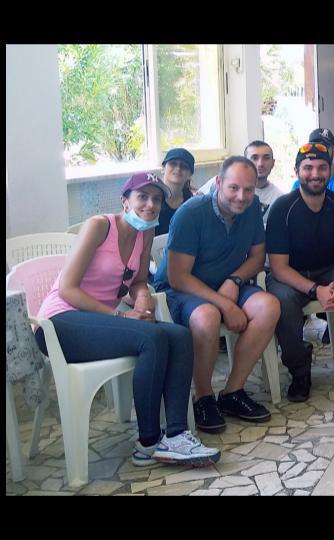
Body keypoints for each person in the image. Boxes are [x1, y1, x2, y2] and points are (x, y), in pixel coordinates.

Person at [35, 172, 220, 467]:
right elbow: (68, 288)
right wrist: (120, 315)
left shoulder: (145, 232)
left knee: (179, 335)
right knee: (152, 337)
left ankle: (176, 435)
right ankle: (148, 442)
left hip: (100, 325)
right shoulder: (99, 226)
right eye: (142, 197)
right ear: (125, 201)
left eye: (156, 199)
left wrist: (143, 295)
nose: (150, 205)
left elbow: (139, 280)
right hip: (60, 322)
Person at [155, 156, 282, 433]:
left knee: (269, 306)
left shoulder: (251, 208)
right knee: (207, 317)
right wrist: (225, 304)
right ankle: (203, 398)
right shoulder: (191, 213)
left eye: (248, 189)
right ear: (219, 183)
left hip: (226, 282)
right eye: (234, 188)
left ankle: (232, 392)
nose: (241, 196)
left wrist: (234, 280)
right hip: (182, 289)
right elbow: (178, 277)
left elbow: (257, 257)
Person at [266, 142, 334, 400]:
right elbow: (278, 267)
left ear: (330, 170)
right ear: (297, 171)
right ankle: (299, 371)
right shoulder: (282, 208)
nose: (315, 174)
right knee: (282, 301)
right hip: (289, 275)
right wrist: (317, 291)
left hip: (329, 270)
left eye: (322, 167)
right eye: (308, 168)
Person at [198, 141, 284, 226]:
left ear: (273, 163)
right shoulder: (223, 181)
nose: (260, 163)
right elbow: (198, 200)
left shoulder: (278, 198)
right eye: (254, 158)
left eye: (266, 158)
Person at [157, 147, 196, 235]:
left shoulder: (193, 202)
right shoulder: (152, 198)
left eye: (184, 166)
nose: (178, 168)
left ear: (190, 174)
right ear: (163, 168)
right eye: (173, 163)